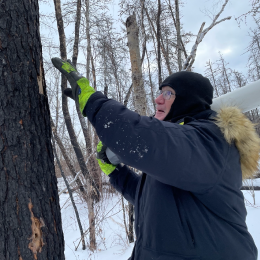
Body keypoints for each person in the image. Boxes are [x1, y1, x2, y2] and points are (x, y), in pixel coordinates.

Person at [52, 57, 259, 260]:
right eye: (160, 92)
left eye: (168, 93)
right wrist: (116, 172)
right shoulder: (179, 154)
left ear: (188, 100)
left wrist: (94, 103)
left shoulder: (210, 141)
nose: (158, 99)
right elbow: (152, 200)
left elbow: (141, 137)